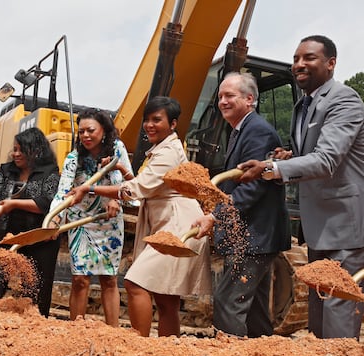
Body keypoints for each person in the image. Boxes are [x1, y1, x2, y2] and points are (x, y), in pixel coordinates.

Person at [237, 35, 364, 339]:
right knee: (319, 315)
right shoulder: (302, 105)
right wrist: (290, 156)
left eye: (309, 58)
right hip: (318, 224)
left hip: (343, 225)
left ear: (331, 64)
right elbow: (317, 152)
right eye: (295, 59)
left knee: (337, 316)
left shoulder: (344, 100)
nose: (299, 65)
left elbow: (327, 160)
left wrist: (271, 168)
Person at [67, 97, 211, 336]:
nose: (149, 125)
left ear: (173, 124)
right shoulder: (161, 149)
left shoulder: (166, 153)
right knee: (166, 298)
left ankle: (138, 345)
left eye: (157, 120)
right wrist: (122, 170)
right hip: (167, 220)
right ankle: (168, 348)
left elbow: (135, 191)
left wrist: (89, 189)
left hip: (177, 224)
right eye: (147, 120)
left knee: (135, 282)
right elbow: (145, 186)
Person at [191, 72, 291, 338]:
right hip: (252, 236)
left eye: (229, 96)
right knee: (256, 309)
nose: (222, 101)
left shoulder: (257, 131)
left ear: (249, 99)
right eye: (220, 96)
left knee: (227, 301)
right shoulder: (241, 130)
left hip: (253, 235)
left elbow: (254, 186)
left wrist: (215, 216)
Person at [48, 108, 132, 328]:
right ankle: (77, 330)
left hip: (109, 221)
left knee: (109, 278)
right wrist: (53, 219)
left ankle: (111, 332)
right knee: (80, 279)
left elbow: (130, 186)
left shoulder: (117, 150)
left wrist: (118, 200)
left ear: (104, 130)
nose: (85, 135)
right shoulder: (74, 157)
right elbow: (62, 192)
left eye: (90, 130)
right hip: (82, 223)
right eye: (82, 131)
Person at [0, 127, 61, 317]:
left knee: (35, 289)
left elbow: (47, 202)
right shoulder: (5, 171)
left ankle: (34, 324)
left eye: (21, 150)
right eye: (15, 149)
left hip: (36, 237)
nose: (16, 154)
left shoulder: (49, 172)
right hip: (3, 235)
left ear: (35, 151)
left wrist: (14, 204)